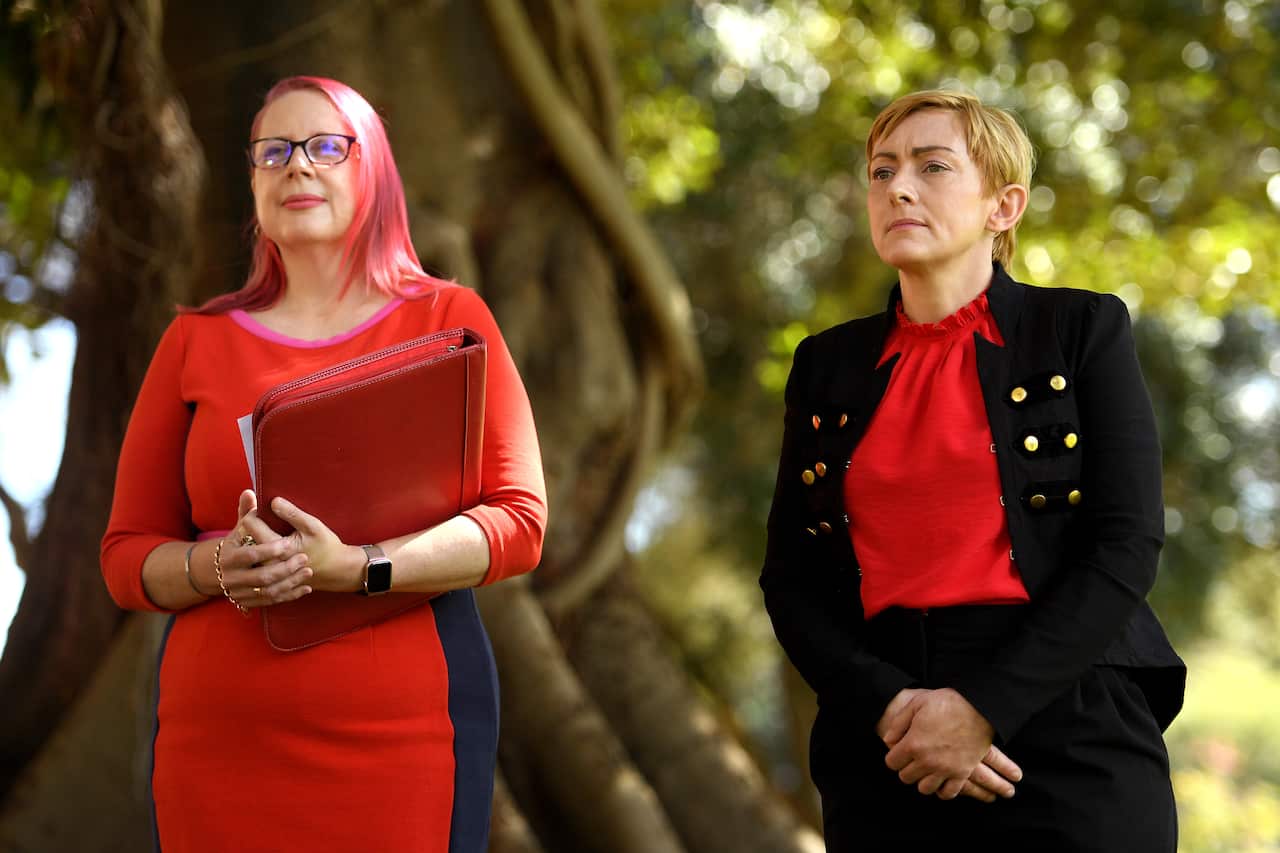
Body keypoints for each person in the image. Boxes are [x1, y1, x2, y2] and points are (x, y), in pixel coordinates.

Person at [101, 76, 547, 853]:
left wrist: (358, 566)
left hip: (407, 744)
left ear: (371, 171)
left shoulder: (448, 319)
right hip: (217, 750)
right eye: (272, 151)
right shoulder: (193, 342)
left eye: (324, 147)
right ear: (252, 182)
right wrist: (214, 564)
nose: (296, 166)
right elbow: (125, 555)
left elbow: (519, 520)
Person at [760, 90, 1186, 850]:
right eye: (881, 171)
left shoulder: (1081, 330)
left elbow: (1125, 542)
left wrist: (982, 707)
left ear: (1004, 205)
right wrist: (892, 706)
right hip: (886, 742)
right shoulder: (825, 364)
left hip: (1065, 718)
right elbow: (790, 577)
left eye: (933, 167)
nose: (898, 187)